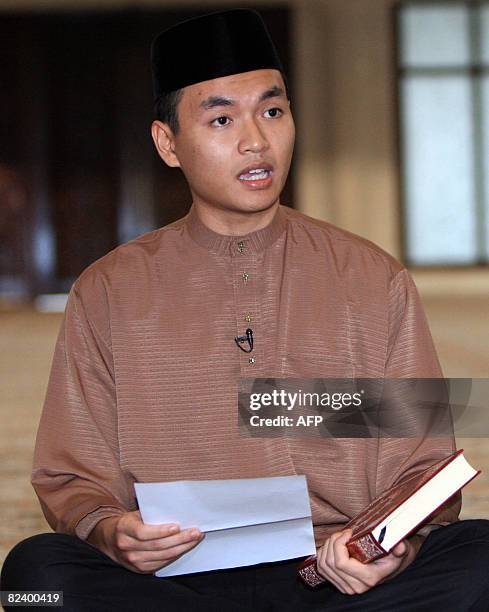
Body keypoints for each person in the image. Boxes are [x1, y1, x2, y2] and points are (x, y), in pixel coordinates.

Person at [1, 8, 488, 611]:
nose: (255, 140)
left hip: (330, 579)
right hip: (175, 580)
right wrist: (110, 532)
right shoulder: (108, 290)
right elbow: (74, 479)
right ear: (167, 143)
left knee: (480, 557)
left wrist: (392, 549)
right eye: (222, 118)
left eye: (273, 111)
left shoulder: (370, 277)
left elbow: (423, 469)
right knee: (32, 580)